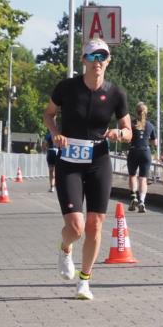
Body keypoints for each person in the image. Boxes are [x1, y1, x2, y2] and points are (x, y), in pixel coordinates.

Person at [43, 38, 131, 300]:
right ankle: (65, 248)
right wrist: (56, 133)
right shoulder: (67, 88)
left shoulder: (116, 93)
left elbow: (128, 130)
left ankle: (85, 280)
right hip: (69, 161)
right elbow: (48, 114)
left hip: (98, 161)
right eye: (93, 57)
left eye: (102, 57)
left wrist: (119, 133)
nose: (98, 62)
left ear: (108, 61)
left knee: (95, 224)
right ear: (84, 61)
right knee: (77, 227)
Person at [127, 102, 157, 212]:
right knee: (143, 178)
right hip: (146, 152)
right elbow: (155, 143)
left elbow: (127, 138)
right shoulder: (150, 125)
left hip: (134, 151)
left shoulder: (131, 124)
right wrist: (146, 139)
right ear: (146, 112)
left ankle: (133, 197)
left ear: (136, 112)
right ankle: (142, 201)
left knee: (132, 176)